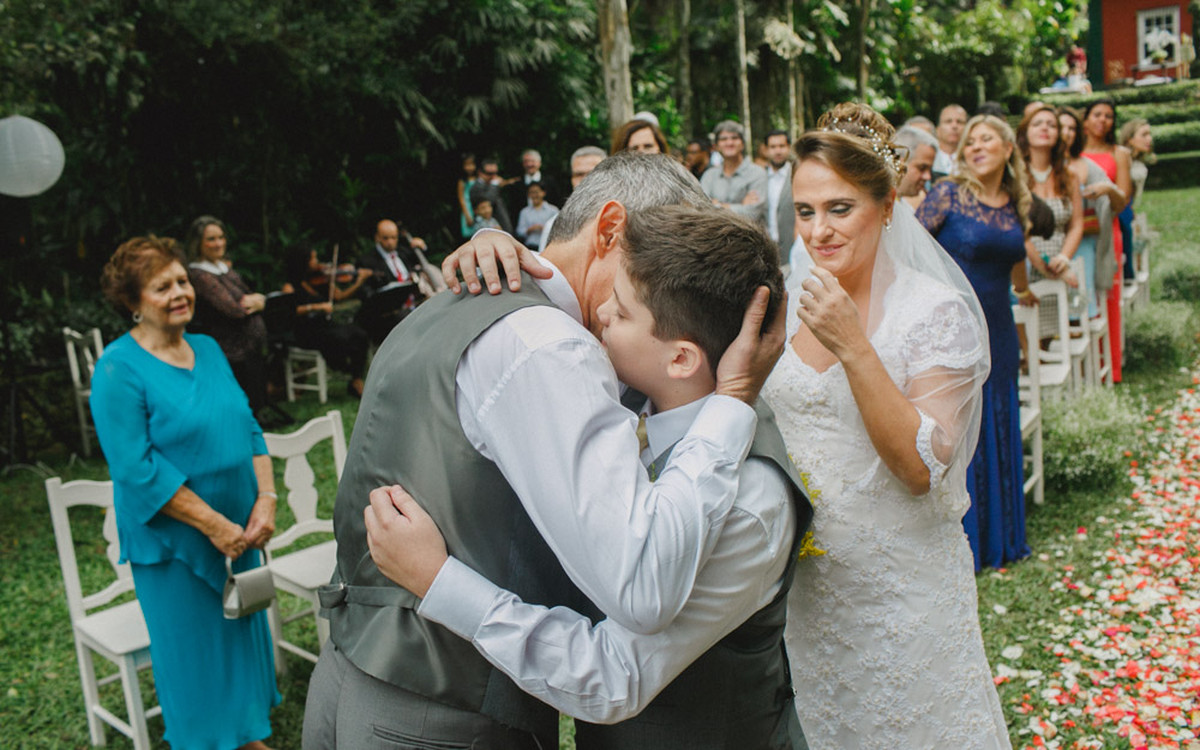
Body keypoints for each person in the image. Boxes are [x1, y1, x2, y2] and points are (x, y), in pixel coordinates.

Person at [451, 104, 1013, 750]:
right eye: (805, 211)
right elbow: (671, 346)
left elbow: (923, 471)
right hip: (804, 595)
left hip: (900, 591)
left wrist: (855, 348)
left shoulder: (934, 312)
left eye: (840, 208)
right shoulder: (780, 298)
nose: (820, 231)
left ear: (887, 206)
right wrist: (515, 259)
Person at [302, 152, 788, 749]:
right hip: (442, 712)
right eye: (652, 265)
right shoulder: (551, 345)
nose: (661, 285)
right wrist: (732, 403)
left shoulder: (459, 298)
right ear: (609, 231)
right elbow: (641, 581)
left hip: (348, 669)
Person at [90, 236, 279, 750]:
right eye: (162, 286)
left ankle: (245, 735)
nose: (179, 293)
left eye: (181, 281)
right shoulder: (116, 368)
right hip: (176, 541)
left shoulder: (211, 349)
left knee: (239, 636)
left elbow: (249, 428)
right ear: (133, 302)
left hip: (238, 528)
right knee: (193, 654)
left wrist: (265, 498)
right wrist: (213, 524)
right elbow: (136, 468)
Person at [917, 113, 1034, 573]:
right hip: (951, 332)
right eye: (970, 142)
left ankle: (1001, 539)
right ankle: (963, 541)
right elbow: (904, 251)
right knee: (962, 430)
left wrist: (1030, 292)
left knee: (998, 425)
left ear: (1009, 148)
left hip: (1000, 330)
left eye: (987, 139)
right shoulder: (946, 193)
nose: (975, 147)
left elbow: (1018, 268)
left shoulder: (1015, 203)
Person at [185, 215, 269, 413]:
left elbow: (250, 296)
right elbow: (234, 308)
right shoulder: (201, 275)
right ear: (198, 243)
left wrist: (259, 301)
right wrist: (257, 302)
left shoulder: (223, 268)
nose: (218, 243)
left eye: (221, 237)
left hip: (249, 349)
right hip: (230, 350)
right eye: (211, 239)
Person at [1081, 99, 1131, 382]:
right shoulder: (1074, 154)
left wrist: (1107, 189)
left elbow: (1122, 199)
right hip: (1079, 231)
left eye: (1109, 116)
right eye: (1097, 115)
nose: (1103, 120)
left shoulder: (1118, 153)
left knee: (1108, 296)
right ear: (1085, 120)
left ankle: (1111, 367)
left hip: (1107, 229)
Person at [281, 245, 372, 397]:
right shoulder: (290, 287)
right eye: (313, 259)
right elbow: (290, 311)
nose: (317, 262)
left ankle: (356, 378)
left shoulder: (321, 279)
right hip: (306, 331)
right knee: (338, 339)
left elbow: (340, 296)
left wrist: (358, 282)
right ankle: (345, 369)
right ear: (302, 262)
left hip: (325, 325)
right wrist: (315, 307)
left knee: (359, 334)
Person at [1059, 106, 1117, 320]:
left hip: (1083, 238)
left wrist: (1108, 190)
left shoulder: (1085, 166)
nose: (1066, 133)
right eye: (1061, 127)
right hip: (1049, 242)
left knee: (1083, 307)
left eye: (1071, 128)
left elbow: (1118, 198)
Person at [1018, 106, 1083, 290]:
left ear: (1058, 135)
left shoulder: (1070, 176)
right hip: (1026, 265)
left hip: (1062, 265)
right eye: (1037, 124)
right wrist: (1043, 266)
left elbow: (1077, 224)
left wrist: (1063, 258)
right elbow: (1018, 228)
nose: (1044, 128)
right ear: (1025, 133)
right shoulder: (1015, 177)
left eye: (1051, 125)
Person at [355, 218, 440, 345]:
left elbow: (423, 263)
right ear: (377, 238)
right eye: (385, 238)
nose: (390, 242)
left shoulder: (404, 252)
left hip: (415, 302)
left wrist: (421, 246)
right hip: (389, 314)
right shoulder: (367, 261)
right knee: (411, 320)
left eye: (394, 238)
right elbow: (366, 295)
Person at [701, 120, 768, 225]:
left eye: (734, 138)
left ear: (742, 144)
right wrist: (740, 206)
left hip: (749, 239)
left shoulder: (757, 173)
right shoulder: (709, 175)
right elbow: (701, 211)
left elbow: (753, 214)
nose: (729, 143)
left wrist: (716, 205)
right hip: (715, 239)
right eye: (723, 139)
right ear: (716, 146)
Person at [1118, 118, 1154, 281]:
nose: (1149, 139)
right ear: (1130, 140)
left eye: (1149, 134)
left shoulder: (1137, 162)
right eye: (1144, 134)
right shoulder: (1122, 160)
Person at [763, 129, 796, 253]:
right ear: (765, 150)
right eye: (773, 147)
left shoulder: (797, 174)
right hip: (767, 247)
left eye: (782, 146)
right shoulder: (759, 177)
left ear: (789, 147)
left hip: (792, 244)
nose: (778, 151)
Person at [893, 124, 938, 208]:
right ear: (898, 161)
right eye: (922, 168)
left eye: (929, 170)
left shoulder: (908, 209)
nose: (927, 177)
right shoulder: (875, 207)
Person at [515, 181, 558, 249]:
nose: (534, 195)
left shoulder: (553, 210)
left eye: (536, 192)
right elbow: (519, 232)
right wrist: (529, 230)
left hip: (547, 247)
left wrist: (545, 229)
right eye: (531, 192)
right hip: (529, 247)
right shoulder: (524, 212)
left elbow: (558, 231)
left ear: (543, 193)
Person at [932, 103, 968, 179]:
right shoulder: (930, 158)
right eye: (948, 121)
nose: (954, 126)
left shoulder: (971, 160)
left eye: (960, 122)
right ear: (937, 129)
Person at [457, 152, 478, 239]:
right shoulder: (462, 181)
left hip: (478, 207)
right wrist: (467, 215)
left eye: (471, 164)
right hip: (468, 208)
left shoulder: (479, 178)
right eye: (467, 165)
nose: (469, 167)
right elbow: (461, 198)